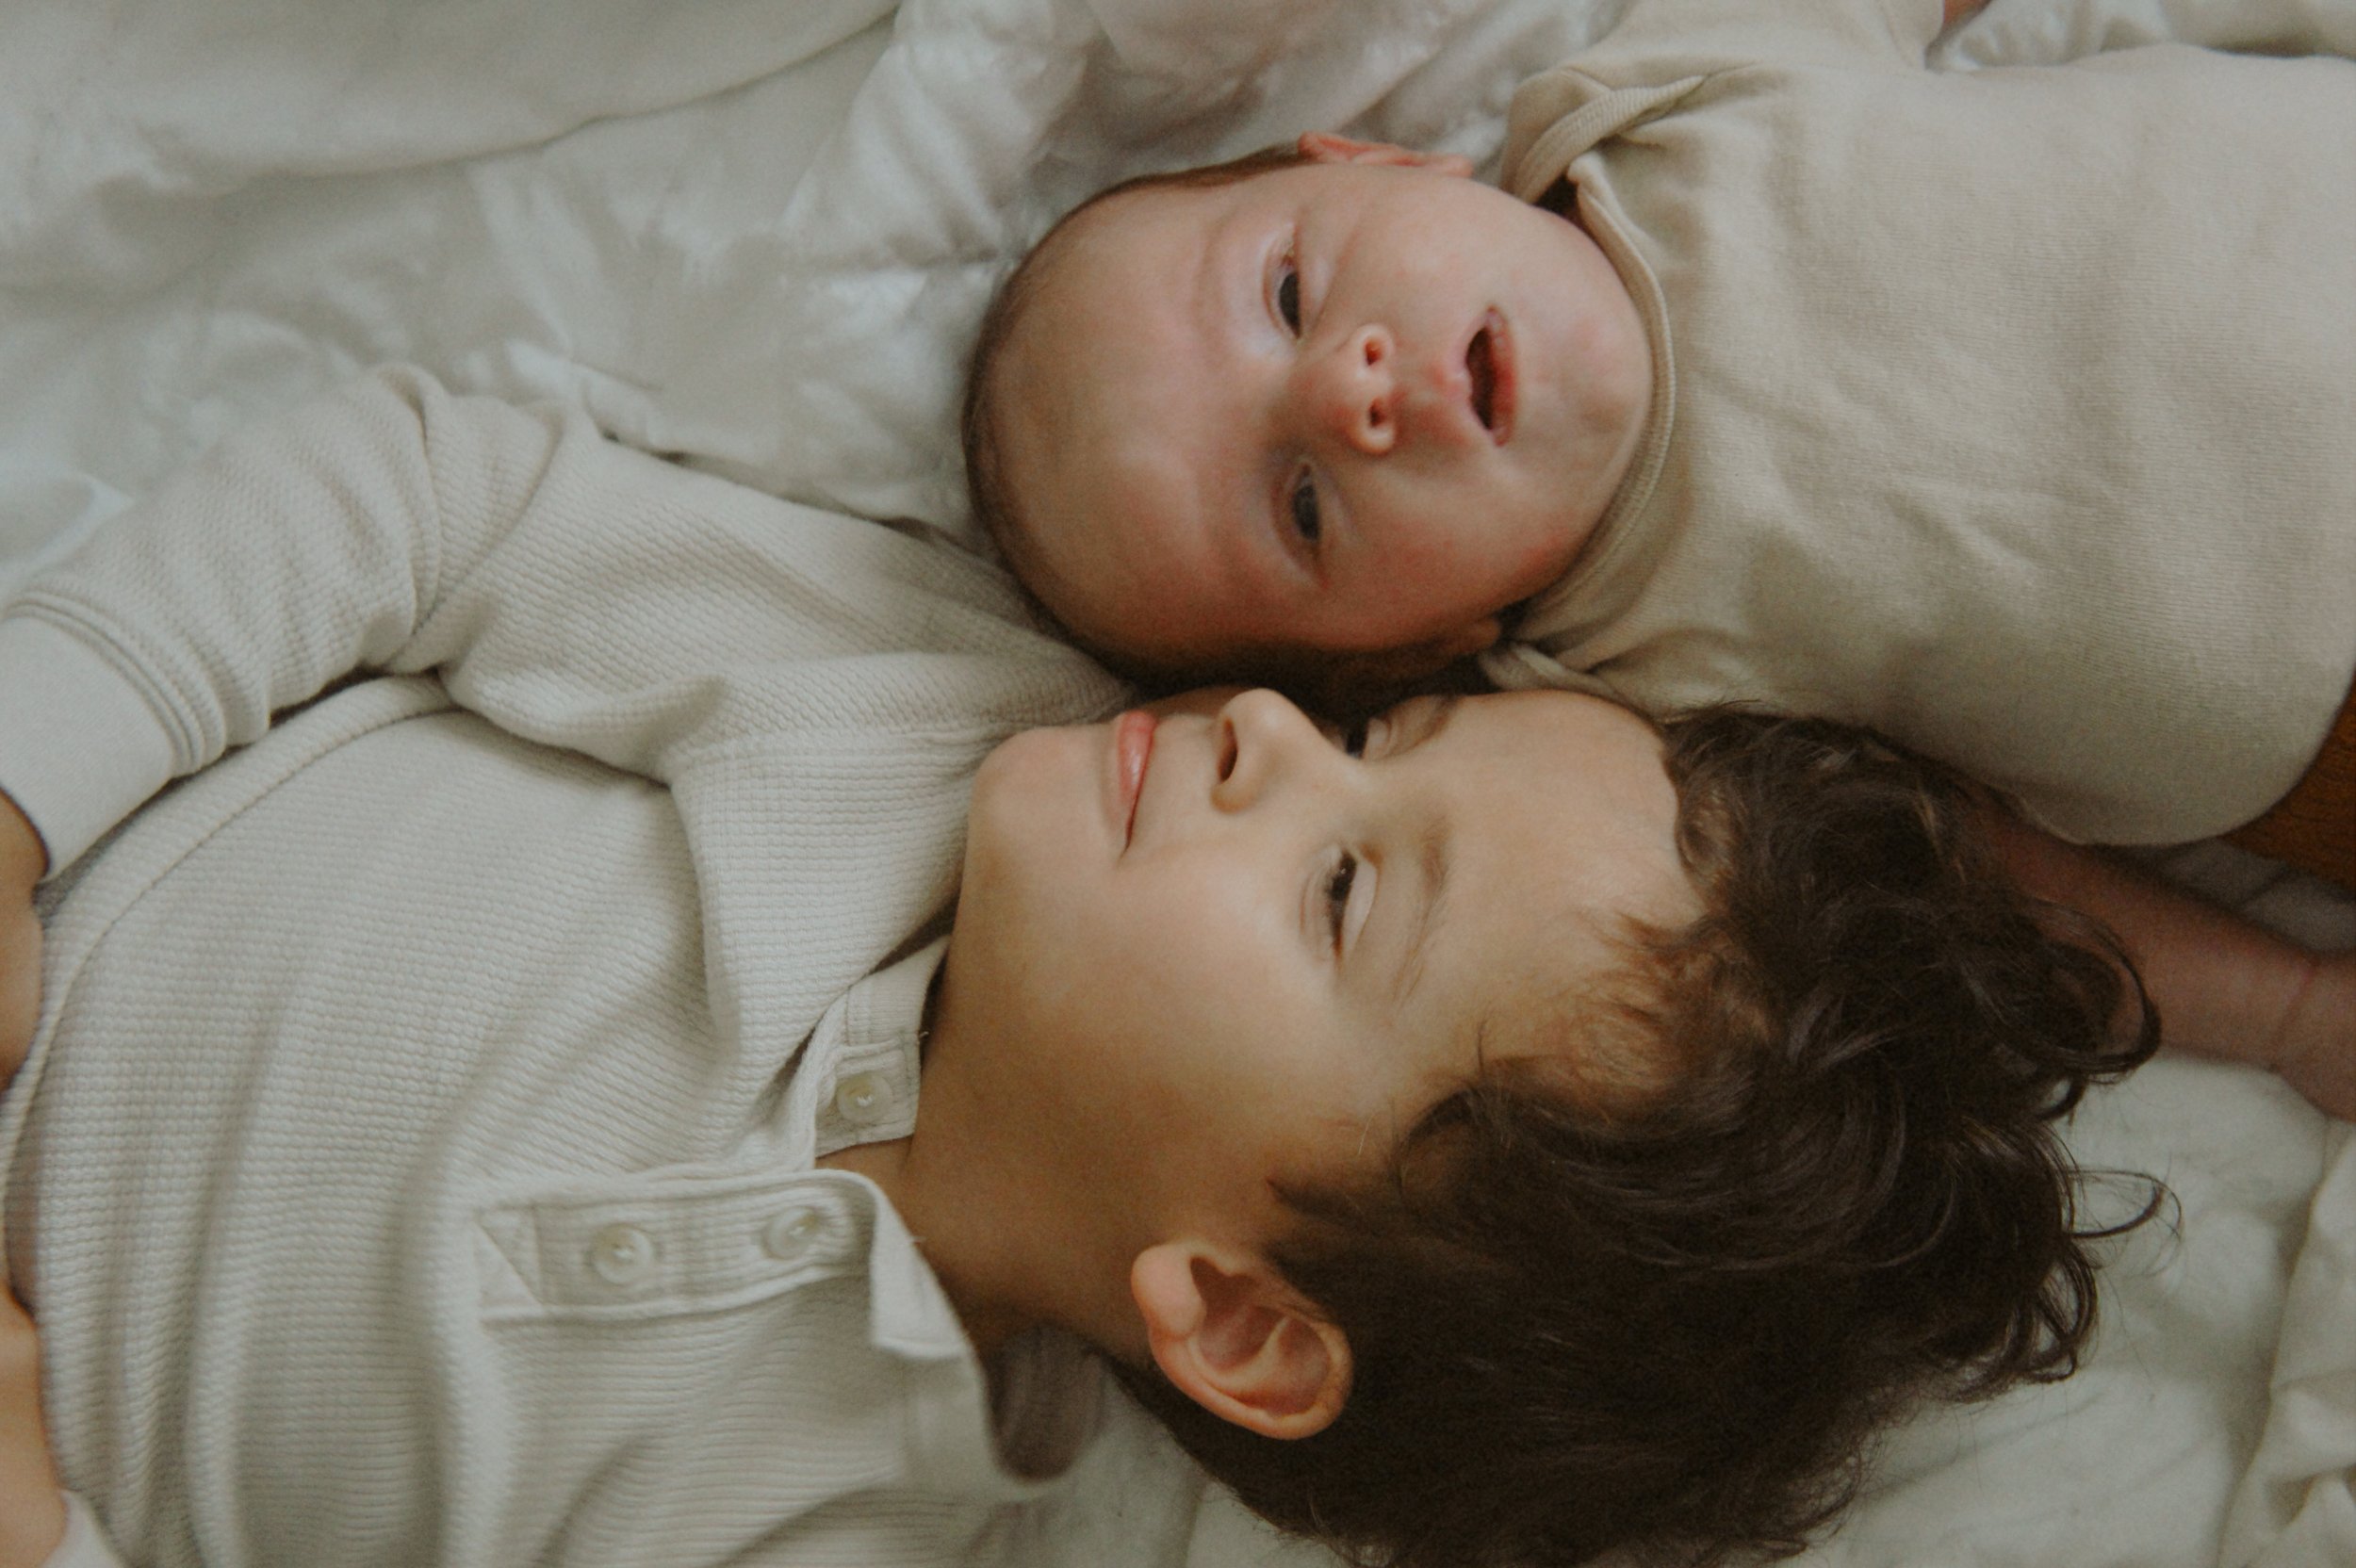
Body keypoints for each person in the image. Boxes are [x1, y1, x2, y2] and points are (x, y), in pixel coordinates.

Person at [0, 368, 2203, 1568]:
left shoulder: (832, 1524)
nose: (1263, 728)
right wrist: (23, 793)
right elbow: (434, 495)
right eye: (1370, 739)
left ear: (1237, 1315)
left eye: (1344, 888)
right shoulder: (915, 722)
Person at [958, 0, 2356, 887]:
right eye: (1305, 510)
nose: (1349, 392)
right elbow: (1976, 872)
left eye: (1287, 295)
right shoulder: (1619, 705)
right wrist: (2285, 1019)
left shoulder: (1654, 97)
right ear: (1408, 648)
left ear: (1379, 165)